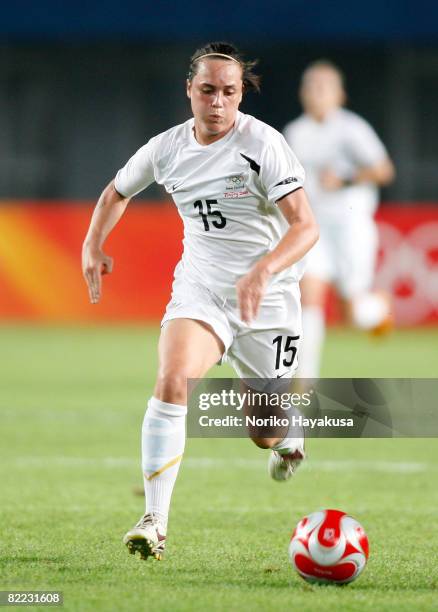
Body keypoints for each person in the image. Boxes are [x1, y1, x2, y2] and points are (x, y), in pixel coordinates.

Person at [82, 42, 318, 561]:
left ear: (240, 94)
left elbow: (306, 226)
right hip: (202, 290)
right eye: (207, 90)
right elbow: (115, 192)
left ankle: (285, 438)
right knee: (172, 378)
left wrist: (264, 269)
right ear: (189, 89)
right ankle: (154, 521)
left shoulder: (264, 144)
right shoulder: (166, 148)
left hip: (268, 301)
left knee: (264, 430)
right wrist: (92, 243)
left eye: (229, 92)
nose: (217, 102)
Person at [283, 60, 395, 379]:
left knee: (354, 315)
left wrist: (346, 178)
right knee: (310, 295)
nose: (315, 93)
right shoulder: (294, 132)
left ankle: (379, 310)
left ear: (339, 94)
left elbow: (384, 170)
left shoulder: (352, 129)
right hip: (314, 227)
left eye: (323, 86)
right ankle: (304, 378)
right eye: (310, 86)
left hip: (351, 226)